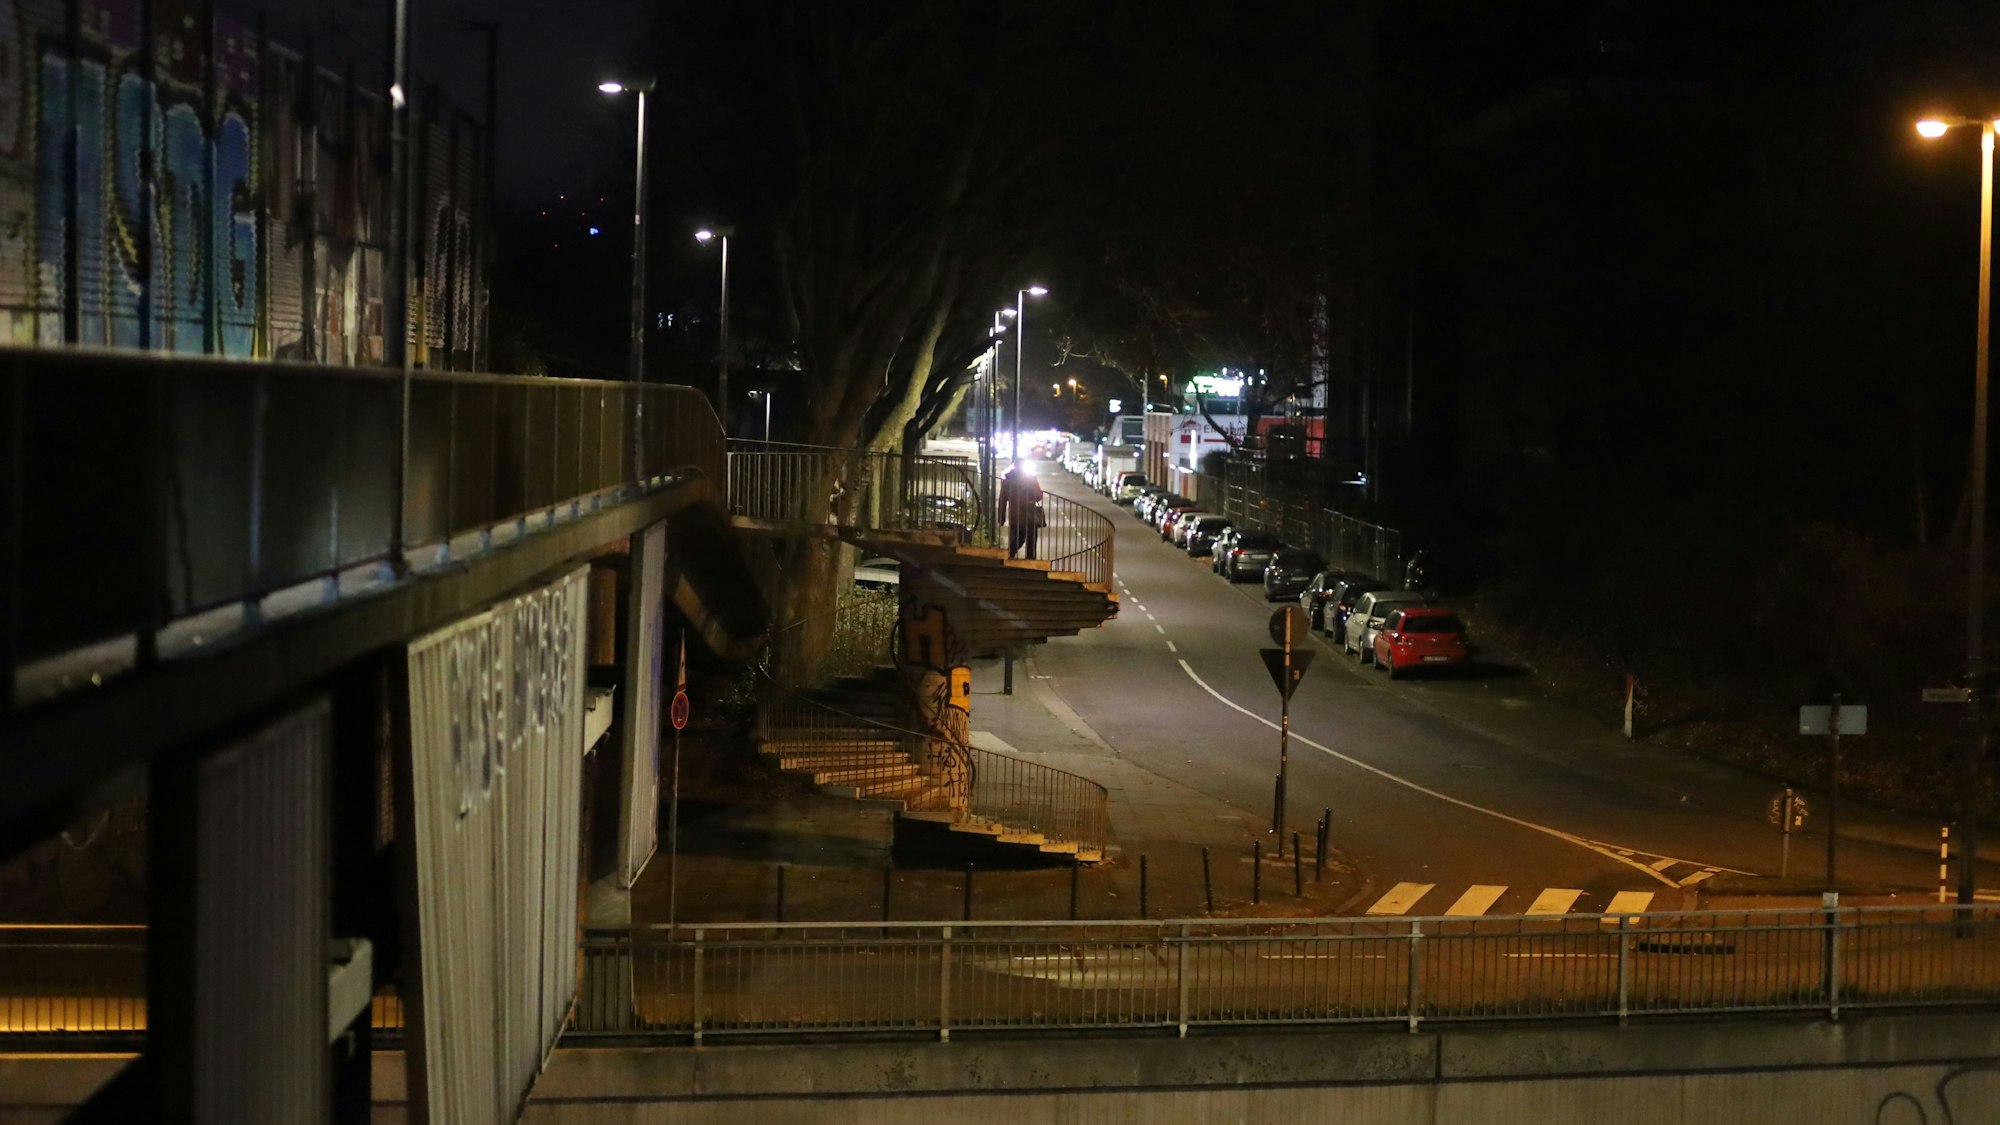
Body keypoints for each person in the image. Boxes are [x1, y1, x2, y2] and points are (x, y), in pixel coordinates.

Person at [1000, 462, 1044, 559]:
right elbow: (1039, 496)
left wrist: (1001, 517)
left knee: (1017, 538)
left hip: (1015, 515)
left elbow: (1002, 499)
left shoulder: (1007, 481)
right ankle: (1028, 560)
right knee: (1030, 541)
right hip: (1029, 515)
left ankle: (1009, 556)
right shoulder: (1030, 478)